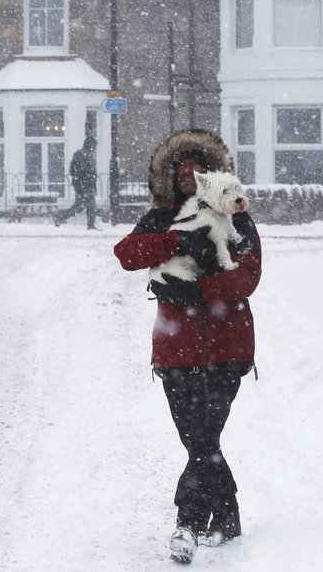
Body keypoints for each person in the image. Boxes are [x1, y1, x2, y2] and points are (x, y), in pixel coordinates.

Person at [113, 128, 261, 564]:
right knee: (199, 439)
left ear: (214, 175)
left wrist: (199, 292)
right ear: (171, 177)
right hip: (175, 352)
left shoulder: (237, 218)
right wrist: (175, 241)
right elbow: (125, 253)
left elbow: (248, 276)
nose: (191, 178)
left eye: (200, 170)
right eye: (183, 171)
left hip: (226, 350)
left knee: (203, 436)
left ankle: (189, 524)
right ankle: (228, 517)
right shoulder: (161, 219)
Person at [54, 135, 99, 230]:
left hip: (85, 184)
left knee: (81, 205)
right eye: (94, 145)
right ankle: (61, 216)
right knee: (88, 205)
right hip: (84, 184)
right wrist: (85, 178)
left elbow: (73, 170)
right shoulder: (83, 154)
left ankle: (61, 216)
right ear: (90, 144)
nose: (95, 147)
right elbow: (75, 170)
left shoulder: (86, 154)